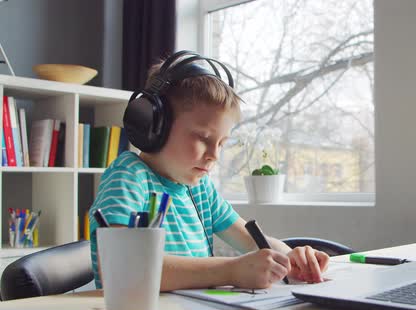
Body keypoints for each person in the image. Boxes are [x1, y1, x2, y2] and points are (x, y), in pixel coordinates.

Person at [89, 51, 329, 291]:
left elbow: (251, 241)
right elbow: (120, 268)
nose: (214, 154)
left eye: (222, 143)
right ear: (154, 125)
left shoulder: (200, 189)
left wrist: (291, 258)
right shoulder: (129, 176)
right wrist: (231, 271)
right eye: (203, 138)